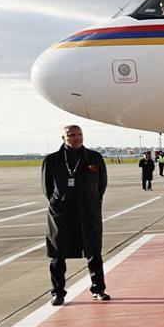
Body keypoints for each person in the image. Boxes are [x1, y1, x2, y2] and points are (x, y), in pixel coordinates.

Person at [43, 125, 111, 306]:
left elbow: (101, 184)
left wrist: (93, 200)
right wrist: (59, 201)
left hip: (88, 211)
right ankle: (58, 292)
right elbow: (47, 188)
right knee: (57, 254)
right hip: (62, 213)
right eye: (72, 135)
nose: (77, 138)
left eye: (79, 134)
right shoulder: (52, 160)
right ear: (64, 138)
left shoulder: (94, 158)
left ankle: (98, 289)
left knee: (94, 251)